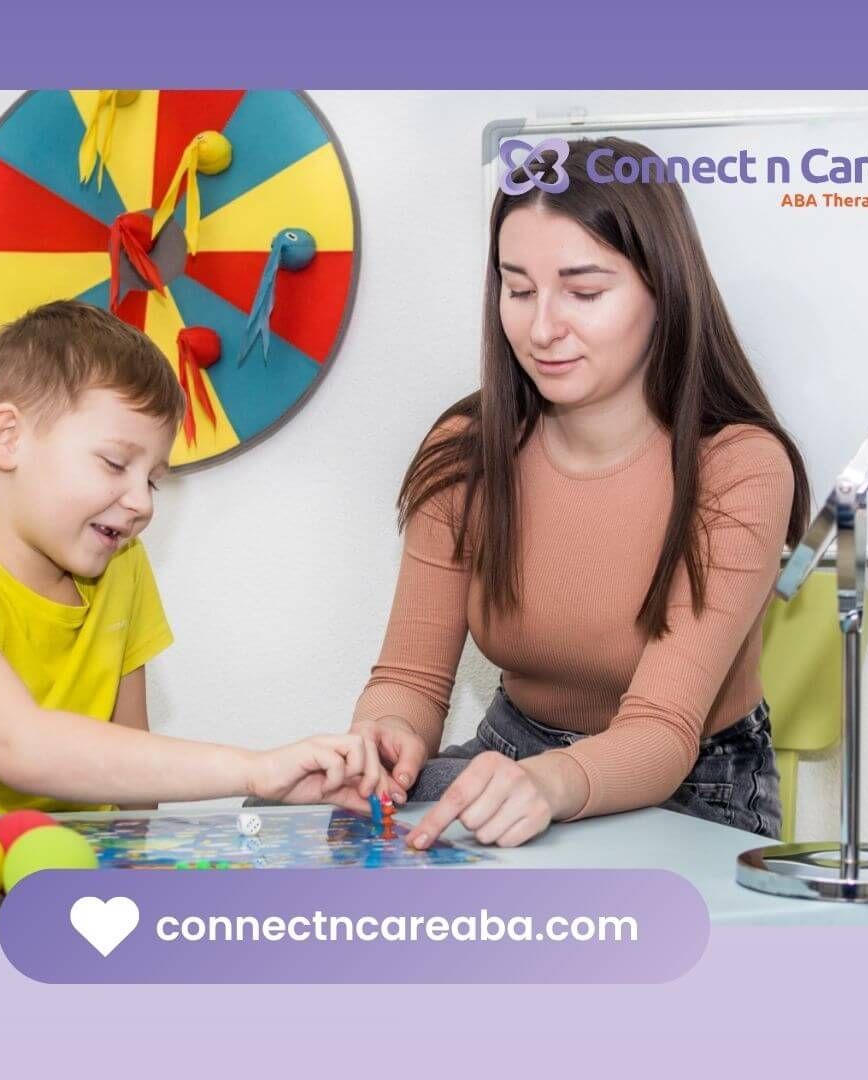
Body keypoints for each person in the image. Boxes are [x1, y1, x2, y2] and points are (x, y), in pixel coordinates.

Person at [349, 137, 809, 850]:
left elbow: (661, 732)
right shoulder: (466, 451)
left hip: (696, 783)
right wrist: (385, 735)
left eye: (585, 293)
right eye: (519, 289)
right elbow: (408, 679)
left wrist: (548, 783)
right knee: (311, 824)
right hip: (511, 755)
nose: (541, 329)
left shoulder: (741, 466)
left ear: (664, 287)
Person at [0, 300, 380, 817]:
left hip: (70, 871)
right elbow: (18, 746)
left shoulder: (123, 565)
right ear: (8, 438)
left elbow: (132, 776)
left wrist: (139, 877)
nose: (142, 501)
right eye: (115, 463)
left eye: (152, 478)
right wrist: (254, 770)